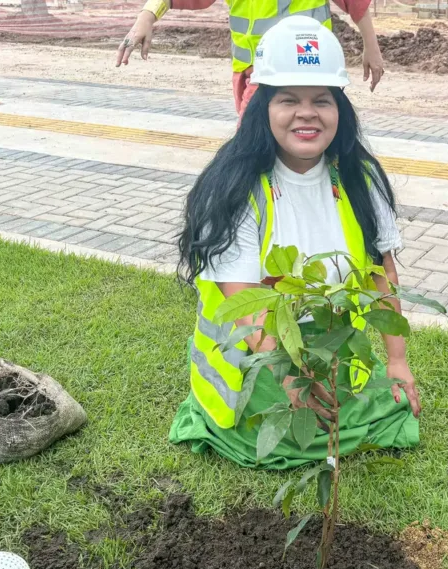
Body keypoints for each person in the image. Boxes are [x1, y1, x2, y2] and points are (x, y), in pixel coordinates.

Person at [169, 16, 419, 469]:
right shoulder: (235, 188)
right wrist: (292, 377)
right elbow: (247, 304)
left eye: (321, 100)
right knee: (290, 440)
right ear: (262, 108)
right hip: (259, 353)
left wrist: (396, 360)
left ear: (340, 110)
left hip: (334, 342)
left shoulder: (359, 180)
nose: (307, 113)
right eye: (288, 100)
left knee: (379, 416)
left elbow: (383, 272)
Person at [115, 0, 386, 116]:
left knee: (255, 156)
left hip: (299, 71)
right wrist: (147, 15)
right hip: (251, 72)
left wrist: (372, 46)